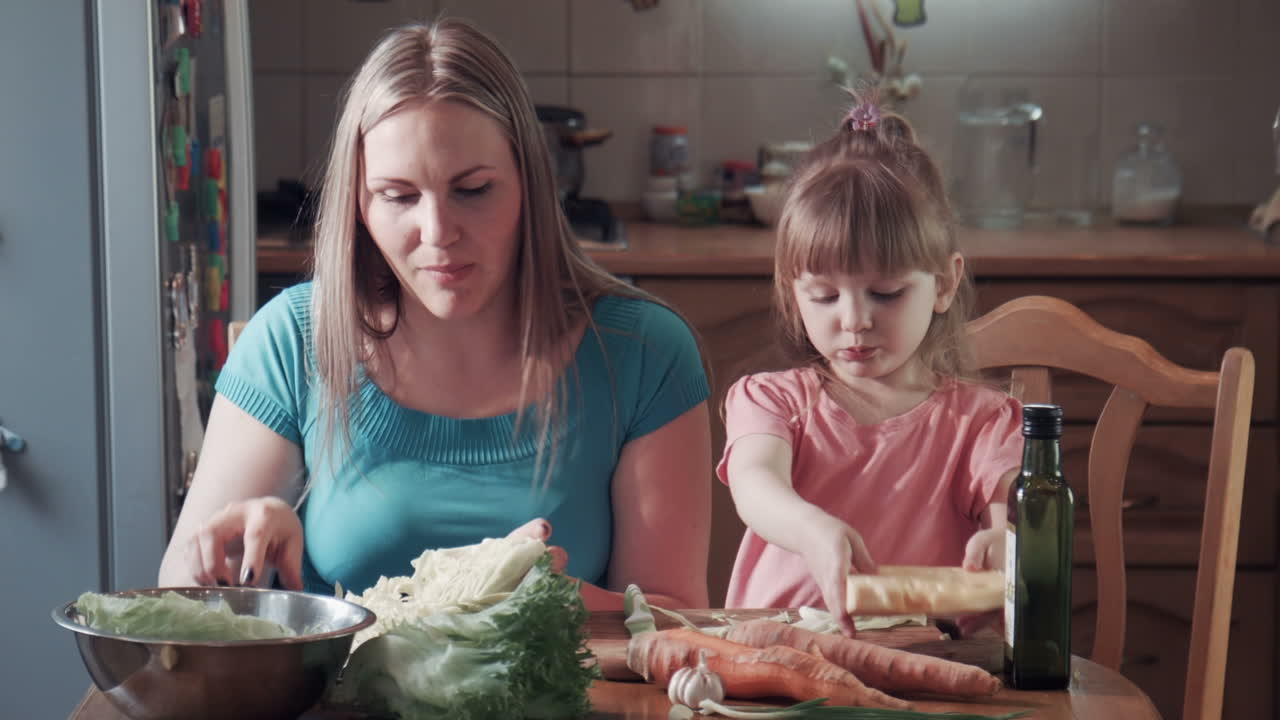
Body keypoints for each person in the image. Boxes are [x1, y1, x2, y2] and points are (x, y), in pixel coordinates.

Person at [157, 18, 712, 611]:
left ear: (530, 185)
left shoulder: (643, 353)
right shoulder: (293, 341)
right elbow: (180, 604)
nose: (438, 232)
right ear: (358, 204)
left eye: (472, 190)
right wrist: (241, 560)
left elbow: (673, 619)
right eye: (398, 196)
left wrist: (536, 600)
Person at [718, 96, 1022, 635]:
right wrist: (812, 530)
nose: (854, 320)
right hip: (780, 657)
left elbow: (1009, 513)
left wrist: (1007, 544)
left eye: (885, 293)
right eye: (824, 296)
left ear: (945, 284)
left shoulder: (983, 422)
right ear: (792, 292)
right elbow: (755, 481)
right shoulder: (771, 402)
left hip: (927, 661)